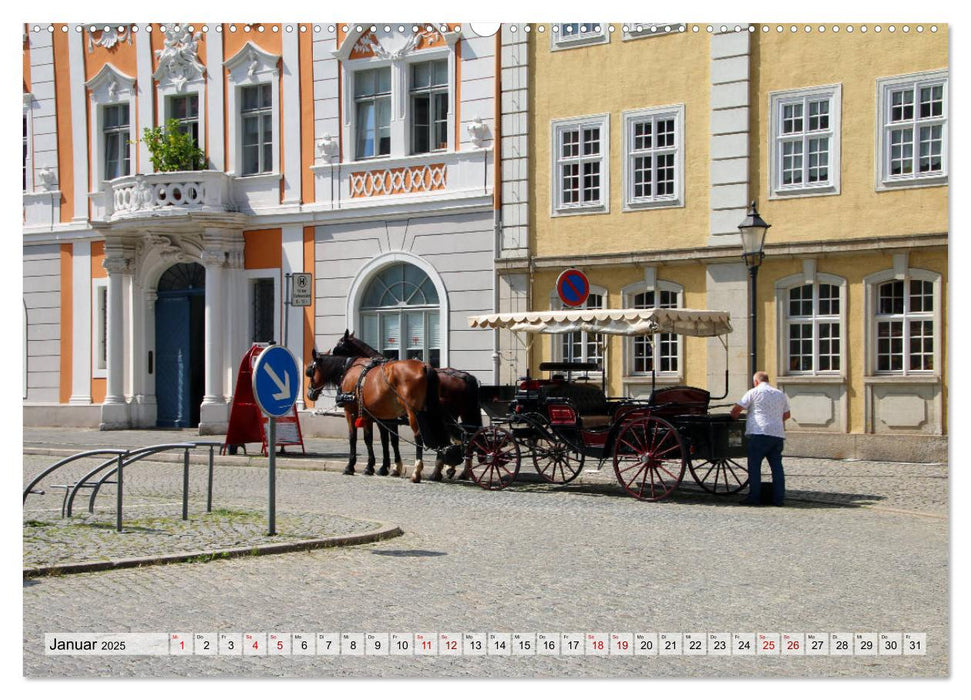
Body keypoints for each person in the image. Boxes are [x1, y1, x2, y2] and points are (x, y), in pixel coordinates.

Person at [730, 371, 791, 506]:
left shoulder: (754, 392)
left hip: (759, 433)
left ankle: (754, 497)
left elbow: (737, 409)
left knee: (754, 466)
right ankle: (778, 499)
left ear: (756, 381)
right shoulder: (779, 394)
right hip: (777, 435)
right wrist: (774, 420)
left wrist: (733, 417)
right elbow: (787, 415)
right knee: (777, 467)